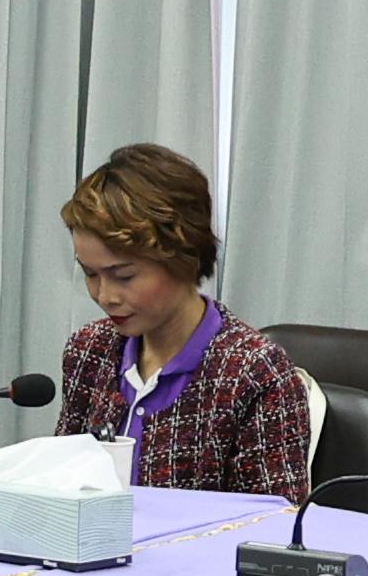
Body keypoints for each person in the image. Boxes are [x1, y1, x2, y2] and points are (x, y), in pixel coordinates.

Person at [50, 142, 312, 498]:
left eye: (124, 276)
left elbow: (274, 521)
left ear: (183, 257)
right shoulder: (90, 351)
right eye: (90, 274)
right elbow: (63, 491)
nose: (105, 295)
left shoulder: (253, 373)